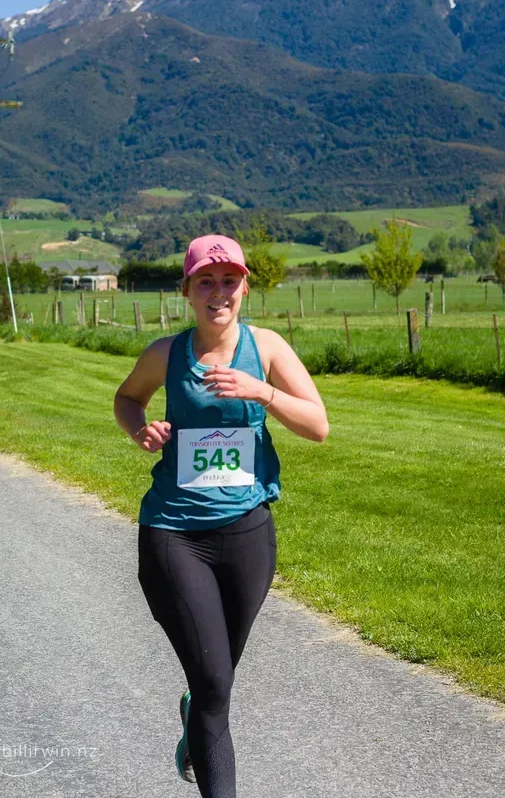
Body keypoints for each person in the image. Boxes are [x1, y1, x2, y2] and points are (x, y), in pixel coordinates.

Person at [114, 234, 329, 798]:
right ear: (186, 290)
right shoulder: (167, 353)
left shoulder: (269, 348)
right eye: (205, 282)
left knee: (218, 680)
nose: (218, 292)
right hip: (173, 532)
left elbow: (318, 425)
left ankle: (194, 715)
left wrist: (264, 393)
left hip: (246, 534)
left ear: (244, 286)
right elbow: (127, 398)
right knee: (213, 684)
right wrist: (142, 429)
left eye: (228, 280)